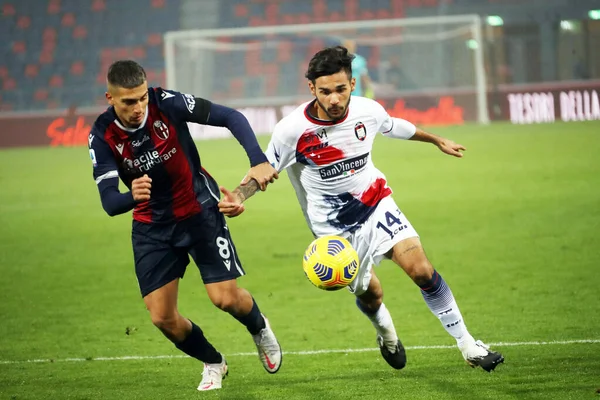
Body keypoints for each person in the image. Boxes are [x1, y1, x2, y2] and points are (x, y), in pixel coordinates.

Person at [218, 46, 504, 372]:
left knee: (422, 270)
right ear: (312, 89)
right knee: (372, 295)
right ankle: (387, 334)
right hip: (335, 231)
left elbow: (394, 125)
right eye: (325, 92)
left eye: (341, 89)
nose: (335, 99)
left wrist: (436, 139)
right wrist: (239, 196)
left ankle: (468, 345)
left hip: (377, 204)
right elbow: (263, 170)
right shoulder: (292, 130)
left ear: (352, 84)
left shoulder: (367, 110)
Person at [88, 60, 282, 391]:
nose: (138, 108)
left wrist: (257, 159)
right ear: (110, 98)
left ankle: (259, 326)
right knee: (162, 318)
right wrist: (131, 197)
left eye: (141, 99)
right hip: (151, 227)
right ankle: (213, 362)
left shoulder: (167, 103)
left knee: (225, 299)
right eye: (128, 102)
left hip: (199, 211)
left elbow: (231, 117)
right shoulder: (102, 135)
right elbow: (109, 202)